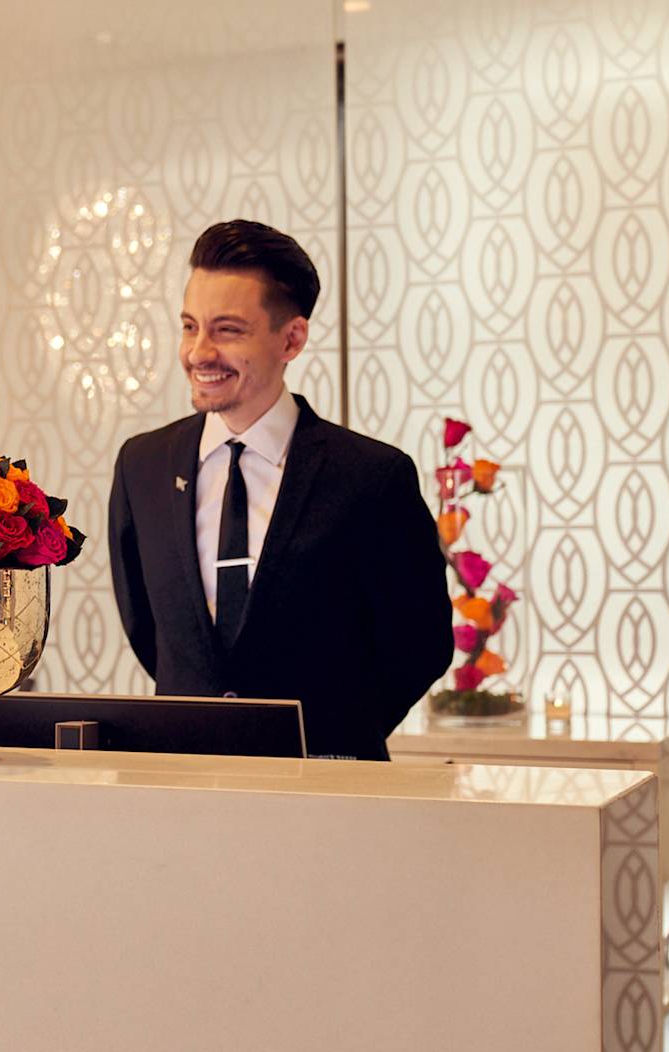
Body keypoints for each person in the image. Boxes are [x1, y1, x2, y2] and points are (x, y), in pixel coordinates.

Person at [106, 221, 450, 760]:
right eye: (189, 326)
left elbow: (420, 645)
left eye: (227, 330)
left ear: (291, 339)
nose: (198, 352)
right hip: (185, 788)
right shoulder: (142, 465)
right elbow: (149, 630)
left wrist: (336, 737)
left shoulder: (372, 476)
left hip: (334, 795)